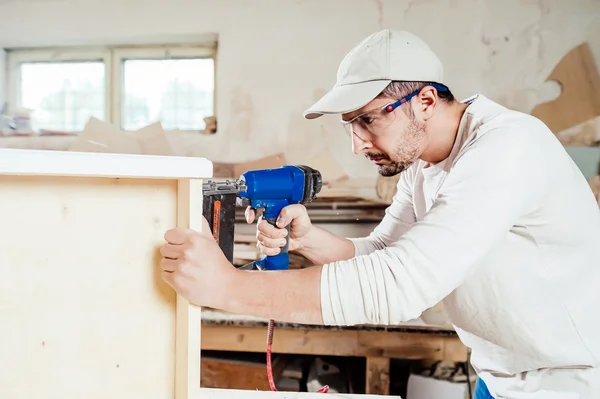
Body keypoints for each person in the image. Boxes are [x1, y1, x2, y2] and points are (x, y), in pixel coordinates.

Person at [159, 29, 600, 399]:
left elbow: (401, 284)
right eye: (351, 125)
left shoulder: (508, 147)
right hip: (499, 375)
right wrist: (313, 240)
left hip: (569, 381)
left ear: (425, 101)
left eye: (368, 120)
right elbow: (385, 251)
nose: (357, 143)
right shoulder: (422, 166)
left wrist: (228, 287)